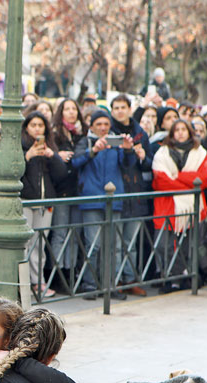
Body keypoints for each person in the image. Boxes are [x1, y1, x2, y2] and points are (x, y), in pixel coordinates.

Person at [71, 109, 136, 299]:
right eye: (98, 124)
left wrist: (128, 149)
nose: (102, 128)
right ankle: (90, 285)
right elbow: (75, 163)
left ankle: (111, 285)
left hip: (113, 200)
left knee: (113, 247)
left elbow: (128, 165)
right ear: (91, 126)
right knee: (93, 245)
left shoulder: (116, 143)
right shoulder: (86, 141)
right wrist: (93, 151)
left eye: (106, 124)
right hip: (91, 200)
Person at [151, 118, 207, 291]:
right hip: (167, 205)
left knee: (189, 245)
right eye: (176, 129)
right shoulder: (161, 153)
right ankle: (173, 276)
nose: (180, 132)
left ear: (189, 132)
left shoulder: (200, 152)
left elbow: (203, 179)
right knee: (163, 245)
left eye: (183, 129)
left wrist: (176, 176)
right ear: (171, 133)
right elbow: (161, 181)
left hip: (193, 207)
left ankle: (184, 278)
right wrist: (188, 182)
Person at [21, 111, 68, 299]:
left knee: (39, 244)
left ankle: (38, 282)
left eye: (40, 125)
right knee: (24, 243)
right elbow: (13, 169)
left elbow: (61, 174)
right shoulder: (20, 145)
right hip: (26, 200)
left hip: (45, 201)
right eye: (33, 125)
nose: (37, 129)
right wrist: (28, 155)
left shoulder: (50, 145)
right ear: (26, 127)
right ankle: (23, 284)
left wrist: (52, 156)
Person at [110, 94, 153, 296]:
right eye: (116, 107)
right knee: (116, 244)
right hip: (116, 191)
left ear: (129, 109)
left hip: (136, 193)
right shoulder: (108, 131)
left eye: (123, 107)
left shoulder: (140, 133)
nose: (119, 111)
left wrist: (143, 157)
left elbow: (149, 163)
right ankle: (116, 281)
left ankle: (131, 278)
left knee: (131, 242)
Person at [50, 99, 86, 285]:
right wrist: (58, 157)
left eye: (74, 109)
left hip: (77, 190)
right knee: (60, 233)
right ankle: (58, 274)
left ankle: (71, 274)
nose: (71, 112)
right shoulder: (55, 134)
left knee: (74, 234)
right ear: (60, 112)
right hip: (61, 190)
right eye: (67, 109)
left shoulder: (81, 134)